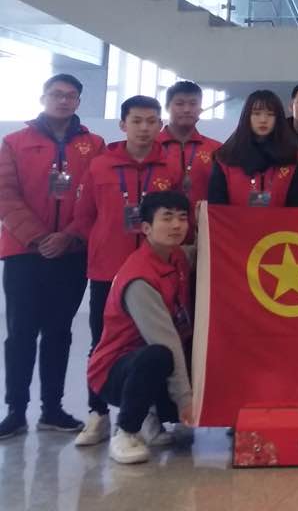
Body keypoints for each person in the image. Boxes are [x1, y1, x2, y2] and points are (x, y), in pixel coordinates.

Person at [67, 95, 180, 446]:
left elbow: (177, 216)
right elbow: (85, 216)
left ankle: (148, 416)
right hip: (108, 269)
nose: (144, 128)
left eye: (151, 121)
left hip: (154, 271)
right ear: (122, 125)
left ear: (160, 125)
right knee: (102, 341)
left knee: (154, 343)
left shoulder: (170, 168)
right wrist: (102, 245)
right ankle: (97, 413)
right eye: (137, 121)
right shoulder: (100, 165)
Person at [0, 74, 105, 440]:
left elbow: (97, 199)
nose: (63, 101)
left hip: (71, 254)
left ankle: (52, 409)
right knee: (21, 333)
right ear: (43, 97)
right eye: (57, 94)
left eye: (71, 96)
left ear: (78, 102)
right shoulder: (15, 142)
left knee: (59, 332)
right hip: (24, 253)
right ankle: (15, 410)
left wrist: (70, 236)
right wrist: (39, 238)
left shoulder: (94, 145)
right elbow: (5, 195)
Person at [86, 191, 195, 463]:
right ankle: (125, 431)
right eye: (166, 218)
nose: (176, 225)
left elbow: (203, 250)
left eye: (182, 218)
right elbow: (166, 340)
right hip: (114, 371)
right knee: (159, 354)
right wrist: (185, 400)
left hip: (144, 359)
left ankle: (151, 414)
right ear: (146, 228)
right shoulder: (139, 278)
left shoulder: (176, 256)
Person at [207, 90, 298, 208]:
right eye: (256, 113)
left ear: (278, 119)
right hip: (234, 220)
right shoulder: (225, 157)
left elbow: (296, 208)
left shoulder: (291, 158)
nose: (263, 120)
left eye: (270, 114)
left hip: (280, 220)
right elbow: (217, 209)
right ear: (246, 117)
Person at [157, 81, 222, 206]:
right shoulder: (151, 147)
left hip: (203, 218)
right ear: (167, 107)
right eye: (179, 104)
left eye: (193, 104)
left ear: (200, 109)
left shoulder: (216, 149)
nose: (187, 110)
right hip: (158, 217)